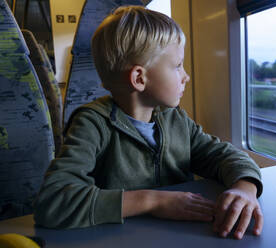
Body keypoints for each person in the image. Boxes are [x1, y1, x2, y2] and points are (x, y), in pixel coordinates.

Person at [34, 6, 263, 240]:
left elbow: (224, 155)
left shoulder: (176, 120)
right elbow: (54, 201)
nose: (186, 76)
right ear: (139, 78)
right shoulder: (92, 124)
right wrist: (152, 201)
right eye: (177, 66)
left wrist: (244, 187)